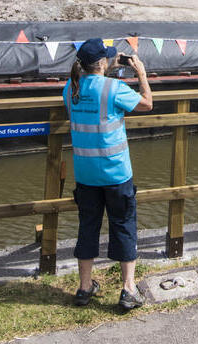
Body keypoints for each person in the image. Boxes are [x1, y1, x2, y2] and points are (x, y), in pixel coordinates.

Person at [64, 38, 153, 311]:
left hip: (85, 173)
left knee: (87, 227)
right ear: (103, 63)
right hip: (115, 173)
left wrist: (109, 66)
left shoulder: (71, 89)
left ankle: (84, 287)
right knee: (124, 225)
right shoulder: (114, 88)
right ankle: (127, 289)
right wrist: (141, 74)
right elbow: (147, 104)